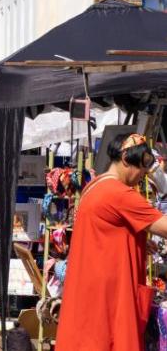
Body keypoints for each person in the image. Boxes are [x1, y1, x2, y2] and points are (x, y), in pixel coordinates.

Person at [56, 133, 167, 351]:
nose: (144, 174)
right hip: (109, 299)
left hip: (89, 294)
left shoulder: (95, 186)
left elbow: (104, 231)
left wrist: (135, 241)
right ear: (126, 160)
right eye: (142, 168)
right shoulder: (119, 193)